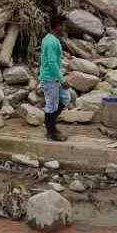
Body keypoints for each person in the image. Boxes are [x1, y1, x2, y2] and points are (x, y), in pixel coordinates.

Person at [38, 14, 71, 142]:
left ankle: (50, 123)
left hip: (54, 76)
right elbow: (51, 63)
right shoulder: (51, 41)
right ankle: (51, 132)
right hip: (50, 78)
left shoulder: (51, 39)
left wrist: (62, 69)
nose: (64, 28)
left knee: (65, 98)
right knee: (51, 105)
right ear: (57, 26)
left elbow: (53, 61)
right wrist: (62, 80)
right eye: (63, 26)